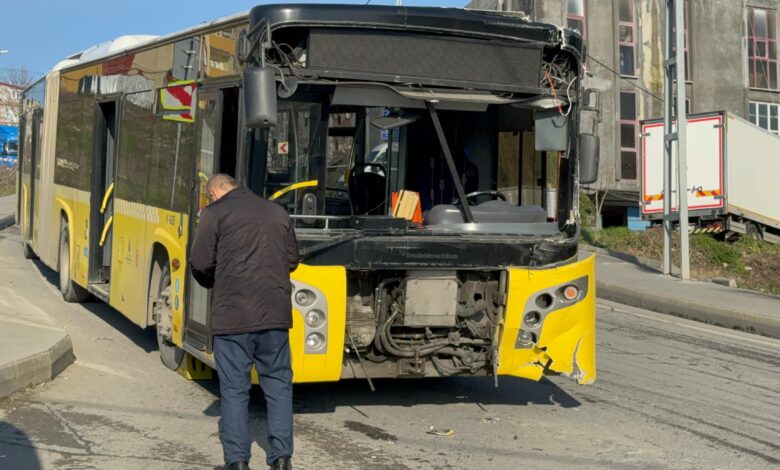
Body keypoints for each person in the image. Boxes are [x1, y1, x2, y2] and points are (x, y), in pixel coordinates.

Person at [189, 174, 298, 470]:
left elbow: (199, 263)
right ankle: (282, 458)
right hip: (274, 314)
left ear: (214, 192)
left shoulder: (214, 213)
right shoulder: (277, 211)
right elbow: (291, 260)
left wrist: (215, 281)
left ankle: (237, 461)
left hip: (233, 315)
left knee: (235, 389)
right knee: (278, 385)